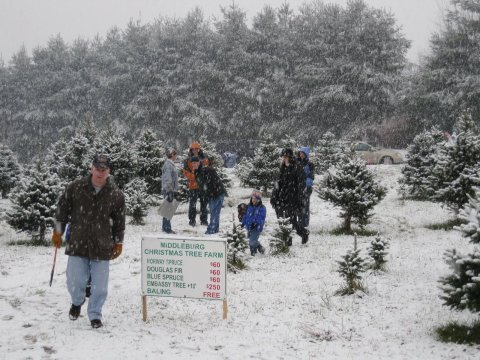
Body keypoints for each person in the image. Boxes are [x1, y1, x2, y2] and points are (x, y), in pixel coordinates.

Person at [52, 154, 125, 329]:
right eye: (97, 169)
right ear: (91, 168)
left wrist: (119, 242)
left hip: (102, 244)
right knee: (75, 281)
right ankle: (77, 302)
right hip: (78, 241)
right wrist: (57, 231)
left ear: (109, 171)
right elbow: (61, 210)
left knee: (100, 287)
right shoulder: (75, 188)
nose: (100, 173)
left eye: (104, 170)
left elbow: (119, 221)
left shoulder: (116, 194)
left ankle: (95, 314)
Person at [270, 148, 309, 244]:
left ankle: (293, 238)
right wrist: (274, 196)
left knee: (291, 221)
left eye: (286, 157)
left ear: (290, 157)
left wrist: (299, 198)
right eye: (283, 157)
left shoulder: (297, 167)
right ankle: (296, 235)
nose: (284, 158)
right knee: (281, 220)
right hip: (281, 198)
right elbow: (277, 184)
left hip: (292, 198)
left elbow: (301, 185)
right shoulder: (282, 168)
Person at [191, 156, 227, 234]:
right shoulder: (197, 172)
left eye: (195, 163)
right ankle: (213, 228)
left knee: (214, 212)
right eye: (192, 163)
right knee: (213, 211)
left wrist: (212, 193)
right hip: (212, 194)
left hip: (217, 193)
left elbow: (211, 183)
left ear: (199, 162)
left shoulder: (205, 170)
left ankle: (212, 229)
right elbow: (202, 186)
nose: (194, 164)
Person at [183, 142, 209, 226]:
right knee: (192, 204)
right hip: (193, 185)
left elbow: (208, 170)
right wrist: (193, 176)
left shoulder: (204, 159)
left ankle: (204, 220)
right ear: (191, 150)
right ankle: (192, 220)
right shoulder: (188, 160)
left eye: (196, 148)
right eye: (193, 149)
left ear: (199, 149)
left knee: (204, 204)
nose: (195, 150)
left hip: (203, 185)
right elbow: (185, 172)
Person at [242, 190, 266, 255]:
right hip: (249, 226)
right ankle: (260, 247)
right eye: (252, 198)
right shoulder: (249, 206)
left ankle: (253, 252)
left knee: (252, 241)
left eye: (255, 199)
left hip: (256, 227)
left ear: (258, 200)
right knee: (251, 239)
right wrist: (243, 223)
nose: (253, 200)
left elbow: (261, 217)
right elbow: (245, 215)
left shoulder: (262, 208)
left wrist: (256, 223)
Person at [161, 147, 179, 234]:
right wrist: (170, 190)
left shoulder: (170, 164)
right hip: (169, 190)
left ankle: (165, 227)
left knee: (167, 209)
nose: (176, 156)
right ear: (172, 155)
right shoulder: (168, 165)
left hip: (170, 189)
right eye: (175, 154)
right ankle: (167, 228)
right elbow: (168, 179)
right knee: (168, 209)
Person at [297, 147, 315, 228]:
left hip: (306, 188)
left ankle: (305, 222)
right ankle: (300, 220)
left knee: (305, 205)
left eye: (303, 153)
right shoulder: (296, 163)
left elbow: (311, 177)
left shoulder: (310, 164)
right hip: (297, 188)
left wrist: (305, 184)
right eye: (300, 153)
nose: (301, 155)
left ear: (306, 154)